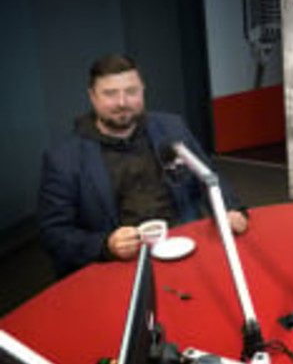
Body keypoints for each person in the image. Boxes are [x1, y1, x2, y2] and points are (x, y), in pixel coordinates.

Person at [38, 54, 248, 277]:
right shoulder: (64, 158)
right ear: (92, 96)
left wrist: (232, 210)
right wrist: (105, 245)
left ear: (143, 90)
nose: (122, 102)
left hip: (183, 245)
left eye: (131, 91)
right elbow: (53, 234)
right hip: (119, 266)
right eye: (110, 94)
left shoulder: (172, 127)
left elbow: (208, 177)